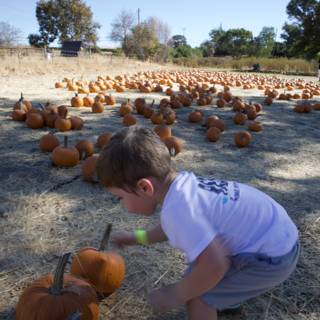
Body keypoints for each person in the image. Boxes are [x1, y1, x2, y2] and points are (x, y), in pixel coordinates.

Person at [96, 125, 300, 320]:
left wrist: (176, 294)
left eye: (120, 198)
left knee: (197, 296)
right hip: (278, 235)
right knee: (198, 274)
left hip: (270, 258)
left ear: (144, 188)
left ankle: (220, 297)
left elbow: (216, 265)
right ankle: (228, 295)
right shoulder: (184, 187)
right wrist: (136, 238)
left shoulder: (179, 211)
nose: (122, 204)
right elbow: (168, 229)